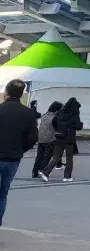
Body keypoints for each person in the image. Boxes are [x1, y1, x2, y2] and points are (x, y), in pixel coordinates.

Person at [0, 79, 38, 223]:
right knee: (2, 195)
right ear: (21, 94)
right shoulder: (28, 113)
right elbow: (33, 137)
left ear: (6, 93)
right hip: (13, 159)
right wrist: (20, 149)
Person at [40, 96, 81, 183]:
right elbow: (78, 126)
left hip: (59, 137)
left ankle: (45, 172)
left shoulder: (60, 112)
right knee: (69, 158)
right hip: (69, 138)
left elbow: (54, 122)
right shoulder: (75, 113)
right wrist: (77, 125)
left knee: (56, 157)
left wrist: (59, 130)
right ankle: (67, 176)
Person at [32, 100, 61, 177]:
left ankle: (35, 171)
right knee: (47, 156)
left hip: (41, 138)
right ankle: (42, 170)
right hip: (50, 139)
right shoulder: (55, 118)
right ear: (57, 110)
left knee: (39, 155)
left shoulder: (44, 115)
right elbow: (58, 129)